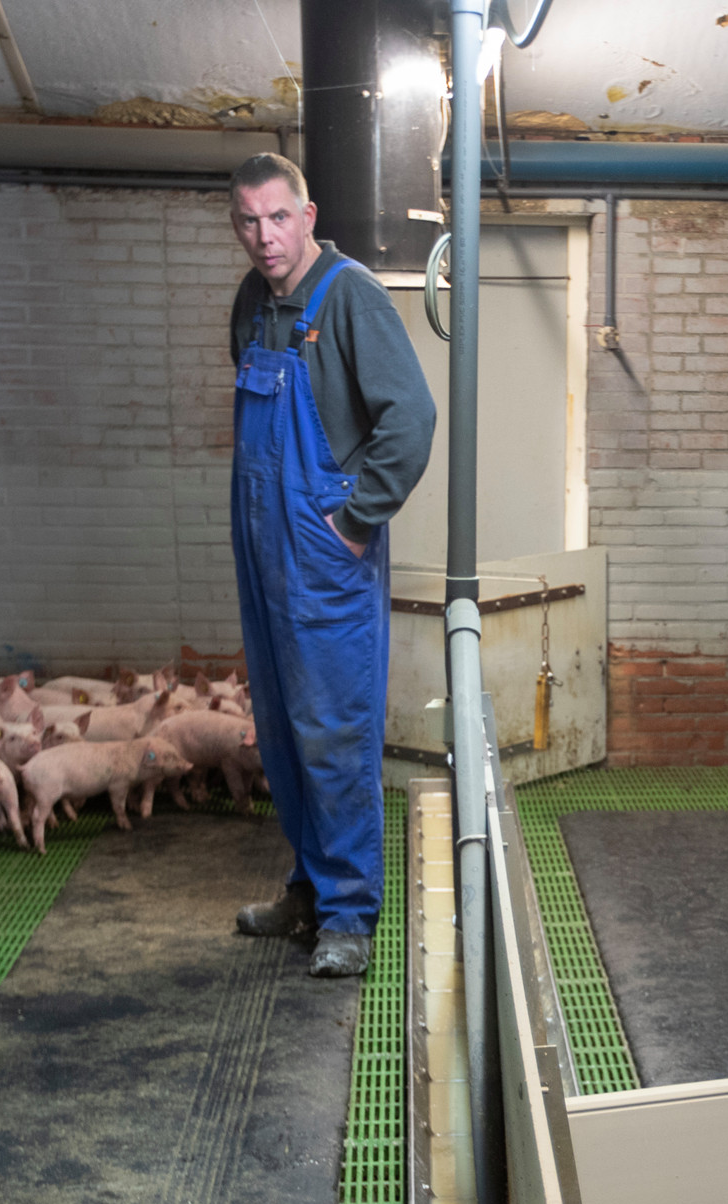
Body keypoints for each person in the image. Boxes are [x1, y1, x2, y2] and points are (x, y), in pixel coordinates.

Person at [225, 153, 436, 977]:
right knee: (281, 731)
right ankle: (308, 889)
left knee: (335, 734)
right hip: (261, 547)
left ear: (308, 217)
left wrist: (355, 521)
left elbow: (410, 419)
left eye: (278, 218)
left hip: (323, 550)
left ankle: (350, 913)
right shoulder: (251, 300)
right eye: (247, 220)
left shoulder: (351, 297)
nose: (264, 237)